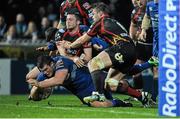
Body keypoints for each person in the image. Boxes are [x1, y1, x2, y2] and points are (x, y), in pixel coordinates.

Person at [62, 2, 158, 106]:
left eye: (93, 14)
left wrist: (70, 46)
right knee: (110, 84)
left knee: (93, 63)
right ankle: (142, 97)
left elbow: (82, 40)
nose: (92, 17)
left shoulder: (101, 22)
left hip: (122, 47)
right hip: (130, 51)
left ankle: (98, 94)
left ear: (100, 13)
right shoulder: (112, 22)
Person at [27, 55, 133, 107]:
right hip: (81, 92)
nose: (45, 73)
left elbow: (59, 80)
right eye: (42, 71)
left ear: (51, 64)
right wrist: (36, 90)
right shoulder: (45, 72)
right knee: (102, 105)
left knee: (119, 85)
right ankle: (120, 102)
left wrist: (40, 84)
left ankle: (137, 93)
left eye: (46, 69)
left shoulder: (60, 62)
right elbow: (29, 79)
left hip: (92, 79)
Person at [139, 0, 159, 104]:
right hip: (157, 42)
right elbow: (147, 16)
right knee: (156, 67)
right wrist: (143, 30)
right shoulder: (150, 5)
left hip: (171, 42)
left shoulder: (172, 4)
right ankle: (154, 97)